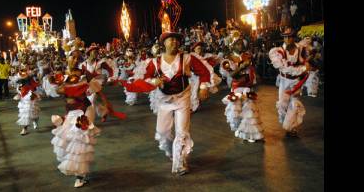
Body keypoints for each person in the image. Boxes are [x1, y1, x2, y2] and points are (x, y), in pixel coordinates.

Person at [121, 32, 218, 175]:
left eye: (177, 40)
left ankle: (180, 162)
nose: (174, 42)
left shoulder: (187, 58)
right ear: (164, 43)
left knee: (182, 131)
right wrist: (155, 81)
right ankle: (172, 152)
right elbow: (142, 78)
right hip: (164, 100)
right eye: (170, 40)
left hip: (183, 98)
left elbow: (204, 71)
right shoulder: (154, 62)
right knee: (162, 132)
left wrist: (203, 87)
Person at [51, 68, 101, 188]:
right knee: (64, 140)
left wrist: (89, 80)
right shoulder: (66, 85)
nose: (75, 77)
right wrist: (64, 81)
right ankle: (72, 168)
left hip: (84, 113)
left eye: (78, 75)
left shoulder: (85, 84)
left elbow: (96, 89)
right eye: (73, 74)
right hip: (70, 115)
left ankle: (80, 176)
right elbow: (58, 91)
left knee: (80, 143)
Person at [221, 33, 263, 142]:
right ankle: (239, 129)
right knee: (236, 111)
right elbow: (231, 75)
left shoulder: (247, 55)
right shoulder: (227, 59)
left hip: (248, 86)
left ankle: (249, 134)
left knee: (249, 110)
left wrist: (254, 78)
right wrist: (241, 67)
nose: (240, 46)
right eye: (237, 44)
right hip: (236, 87)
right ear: (232, 45)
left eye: (241, 44)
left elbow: (252, 70)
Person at [269, 27, 310, 137]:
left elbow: (306, 62)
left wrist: (305, 66)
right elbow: (284, 68)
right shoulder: (278, 52)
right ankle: (286, 124)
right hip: (284, 81)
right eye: (285, 37)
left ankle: (290, 127)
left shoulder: (300, 48)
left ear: (293, 37)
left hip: (296, 82)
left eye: (290, 37)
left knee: (294, 104)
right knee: (282, 105)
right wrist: (301, 69)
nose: (287, 39)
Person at [15, 71, 40, 135]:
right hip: (23, 101)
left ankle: (34, 121)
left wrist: (34, 95)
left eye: (22, 78)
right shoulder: (20, 84)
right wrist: (18, 95)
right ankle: (25, 129)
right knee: (25, 115)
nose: (21, 79)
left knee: (33, 112)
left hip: (31, 99)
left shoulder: (31, 82)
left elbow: (35, 90)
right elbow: (20, 92)